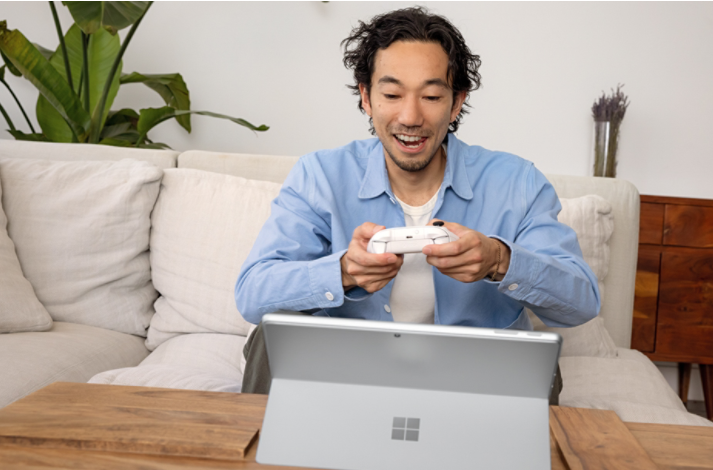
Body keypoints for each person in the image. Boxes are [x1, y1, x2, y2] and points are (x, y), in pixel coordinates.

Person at [235, 7, 601, 404]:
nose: (410, 117)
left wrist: (500, 259)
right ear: (366, 98)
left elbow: (580, 305)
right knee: (270, 335)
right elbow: (253, 295)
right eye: (391, 95)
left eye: (431, 96)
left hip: (471, 379)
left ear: (456, 102)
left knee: (542, 363)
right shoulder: (320, 175)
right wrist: (343, 272)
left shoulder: (517, 182)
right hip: (350, 371)